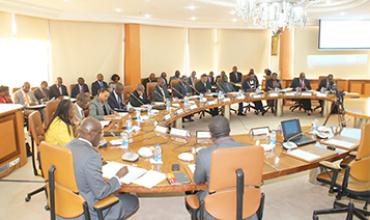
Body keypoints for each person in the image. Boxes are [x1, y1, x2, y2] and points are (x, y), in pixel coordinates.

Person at [65, 117, 139, 220]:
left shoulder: (68, 146)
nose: (101, 137)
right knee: (132, 200)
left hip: (65, 203)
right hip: (88, 210)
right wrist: (117, 177)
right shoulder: (92, 157)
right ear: (91, 135)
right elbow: (100, 193)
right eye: (100, 133)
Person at [193, 116, 256, 220]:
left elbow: (198, 181)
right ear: (229, 130)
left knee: (198, 195)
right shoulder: (252, 150)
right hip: (246, 204)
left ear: (211, 134)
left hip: (215, 211)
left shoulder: (204, 154)